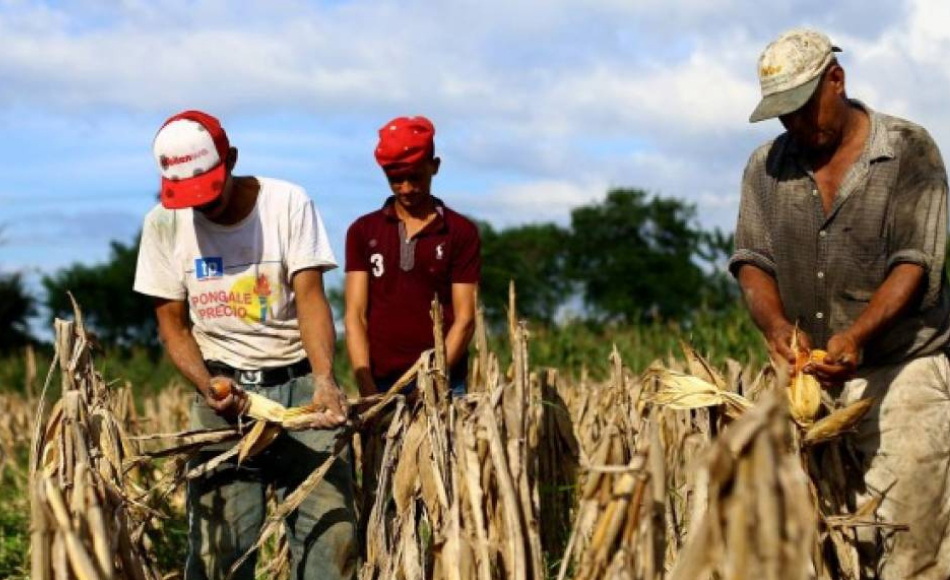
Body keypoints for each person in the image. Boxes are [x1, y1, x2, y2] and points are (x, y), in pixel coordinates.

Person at [731, 29, 950, 579]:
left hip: (902, 372)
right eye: (783, 116)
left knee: (911, 543)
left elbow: (914, 262)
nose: (796, 126)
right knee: (816, 542)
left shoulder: (907, 150)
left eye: (803, 110)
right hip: (807, 384)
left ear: (836, 80)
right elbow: (753, 261)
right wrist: (778, 326)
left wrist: (856, 337)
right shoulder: (765, 167)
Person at [133, 110, 356, 579]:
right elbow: (172, 327)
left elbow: (312, 298)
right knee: (220, 552)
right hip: (222, 398)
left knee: (332, 541)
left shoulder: (286, 202)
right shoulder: (162, 225)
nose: (203, 208)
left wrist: (324, 380)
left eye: (209, 193)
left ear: (230, 159)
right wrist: (208, 382)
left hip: (300, 390)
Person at [343, 115, 480, 398]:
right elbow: (355, 315)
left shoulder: (460, 232)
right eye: (395, 179)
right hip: (381, 385)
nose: (406, 188)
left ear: (435, 166)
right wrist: (366, 385)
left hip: (444, 384)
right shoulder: (362, 230)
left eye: (415, 177)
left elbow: (465, 318)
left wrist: (433, 381)